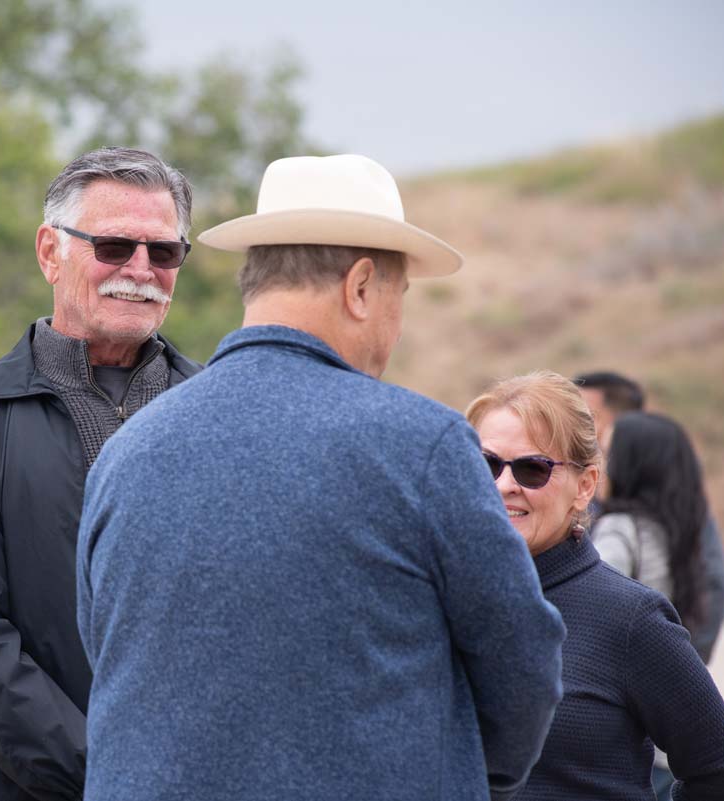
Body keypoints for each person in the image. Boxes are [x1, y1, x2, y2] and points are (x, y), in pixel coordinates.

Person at [76, 154, 566, 801]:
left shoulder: (123, 453)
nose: (396, 325)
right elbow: (521, 668)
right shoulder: (423, 446)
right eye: (399, 297)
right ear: (361, 287)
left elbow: (105, 650)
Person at [0, 146, 202, 801]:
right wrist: (109, 776)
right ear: (50, 252)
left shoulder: (225, 413)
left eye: (163, 252)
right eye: (113, 245)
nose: (140, 270)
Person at [467, 371, 724, 800]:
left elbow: (723, 769)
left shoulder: (630, 619)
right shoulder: (443, 602)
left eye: (532, 469)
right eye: (486, 464)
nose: (503, 486)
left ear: (586, 485)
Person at [574, 370, 724, 664]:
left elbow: (594, 612)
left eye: (587, 416)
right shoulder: (678, 511)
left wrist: (690, 660)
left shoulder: (618, 528)